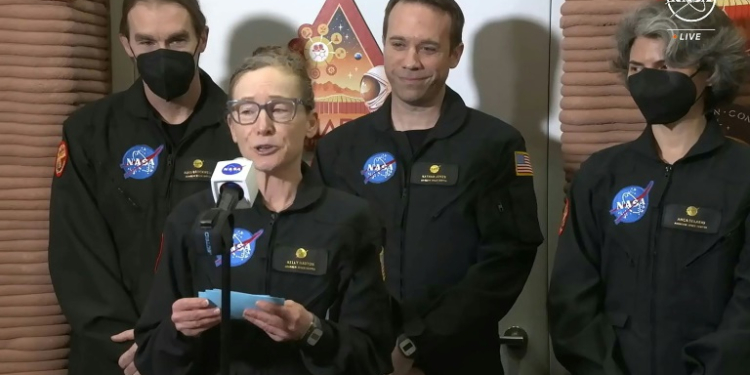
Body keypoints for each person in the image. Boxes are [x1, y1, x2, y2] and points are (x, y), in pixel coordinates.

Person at [308, 0, 544, 374]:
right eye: (398, 44)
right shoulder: (340, 149)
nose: (410, 61)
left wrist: (415, 344)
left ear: (455, 54)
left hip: (460, 360)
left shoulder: (495, 144)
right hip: (360, 359)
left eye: (428, 48)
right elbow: (322, 256)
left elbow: (506, 260)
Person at [133, 46, 394, 375]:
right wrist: (180, 331)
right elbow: (150, 357)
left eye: (280, 109)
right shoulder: (193, 217)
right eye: (247, 111)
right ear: (232, 126)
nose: (263, 126)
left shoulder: (351, 220)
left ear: (311, 122)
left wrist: (311, 331)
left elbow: (373, 359)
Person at [548, 2, 750, 375]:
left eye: (665, 68)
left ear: (710, 72)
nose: (647, 81)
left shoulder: (742, 177)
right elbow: (571, 297)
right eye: (637, 69)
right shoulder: (600, 174)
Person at [47, 1, 239, 374]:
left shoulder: (246, 130)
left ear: (203, 38)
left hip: (214, 354)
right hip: (115, 356)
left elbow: (258, 247)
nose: (161, 54)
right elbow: (76, 251)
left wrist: (172, 342)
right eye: (147, 42)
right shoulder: (89, 131)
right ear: (127, 45)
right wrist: (135, 345)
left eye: (177, 39)